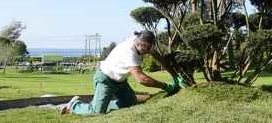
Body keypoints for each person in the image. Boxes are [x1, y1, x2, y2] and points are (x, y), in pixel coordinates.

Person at [60, 30, 188, 115]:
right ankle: (75, 105)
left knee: (130, 103)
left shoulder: (143, 41)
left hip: (120, 81)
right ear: (139, 44)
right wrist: (165, 86)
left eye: (149, 48)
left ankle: (99, 102)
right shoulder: (129, 52)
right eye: (146, 49)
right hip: (106, 79)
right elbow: (141, 79)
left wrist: (175, 76)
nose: (148, 51)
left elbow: (160, 58)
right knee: (97, 112)